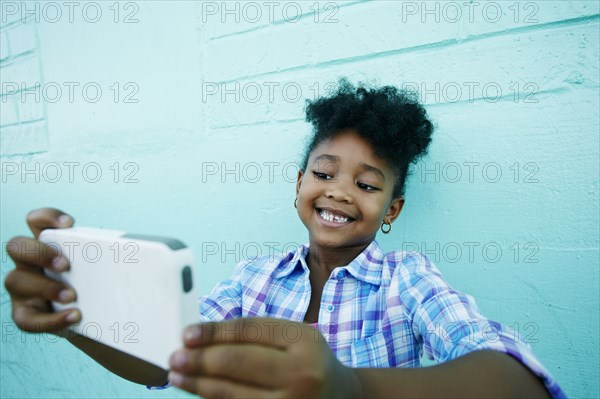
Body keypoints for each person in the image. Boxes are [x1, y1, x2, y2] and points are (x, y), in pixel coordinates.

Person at [5, 79, 565, 398]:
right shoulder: (256, 277)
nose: (341, 192)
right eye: (324, 174)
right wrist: (77, 316)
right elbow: (166, 355)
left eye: (367, 184)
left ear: (391, 209)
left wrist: (352, 390)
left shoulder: (407, 279)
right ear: (299, 184)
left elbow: (517, 378)